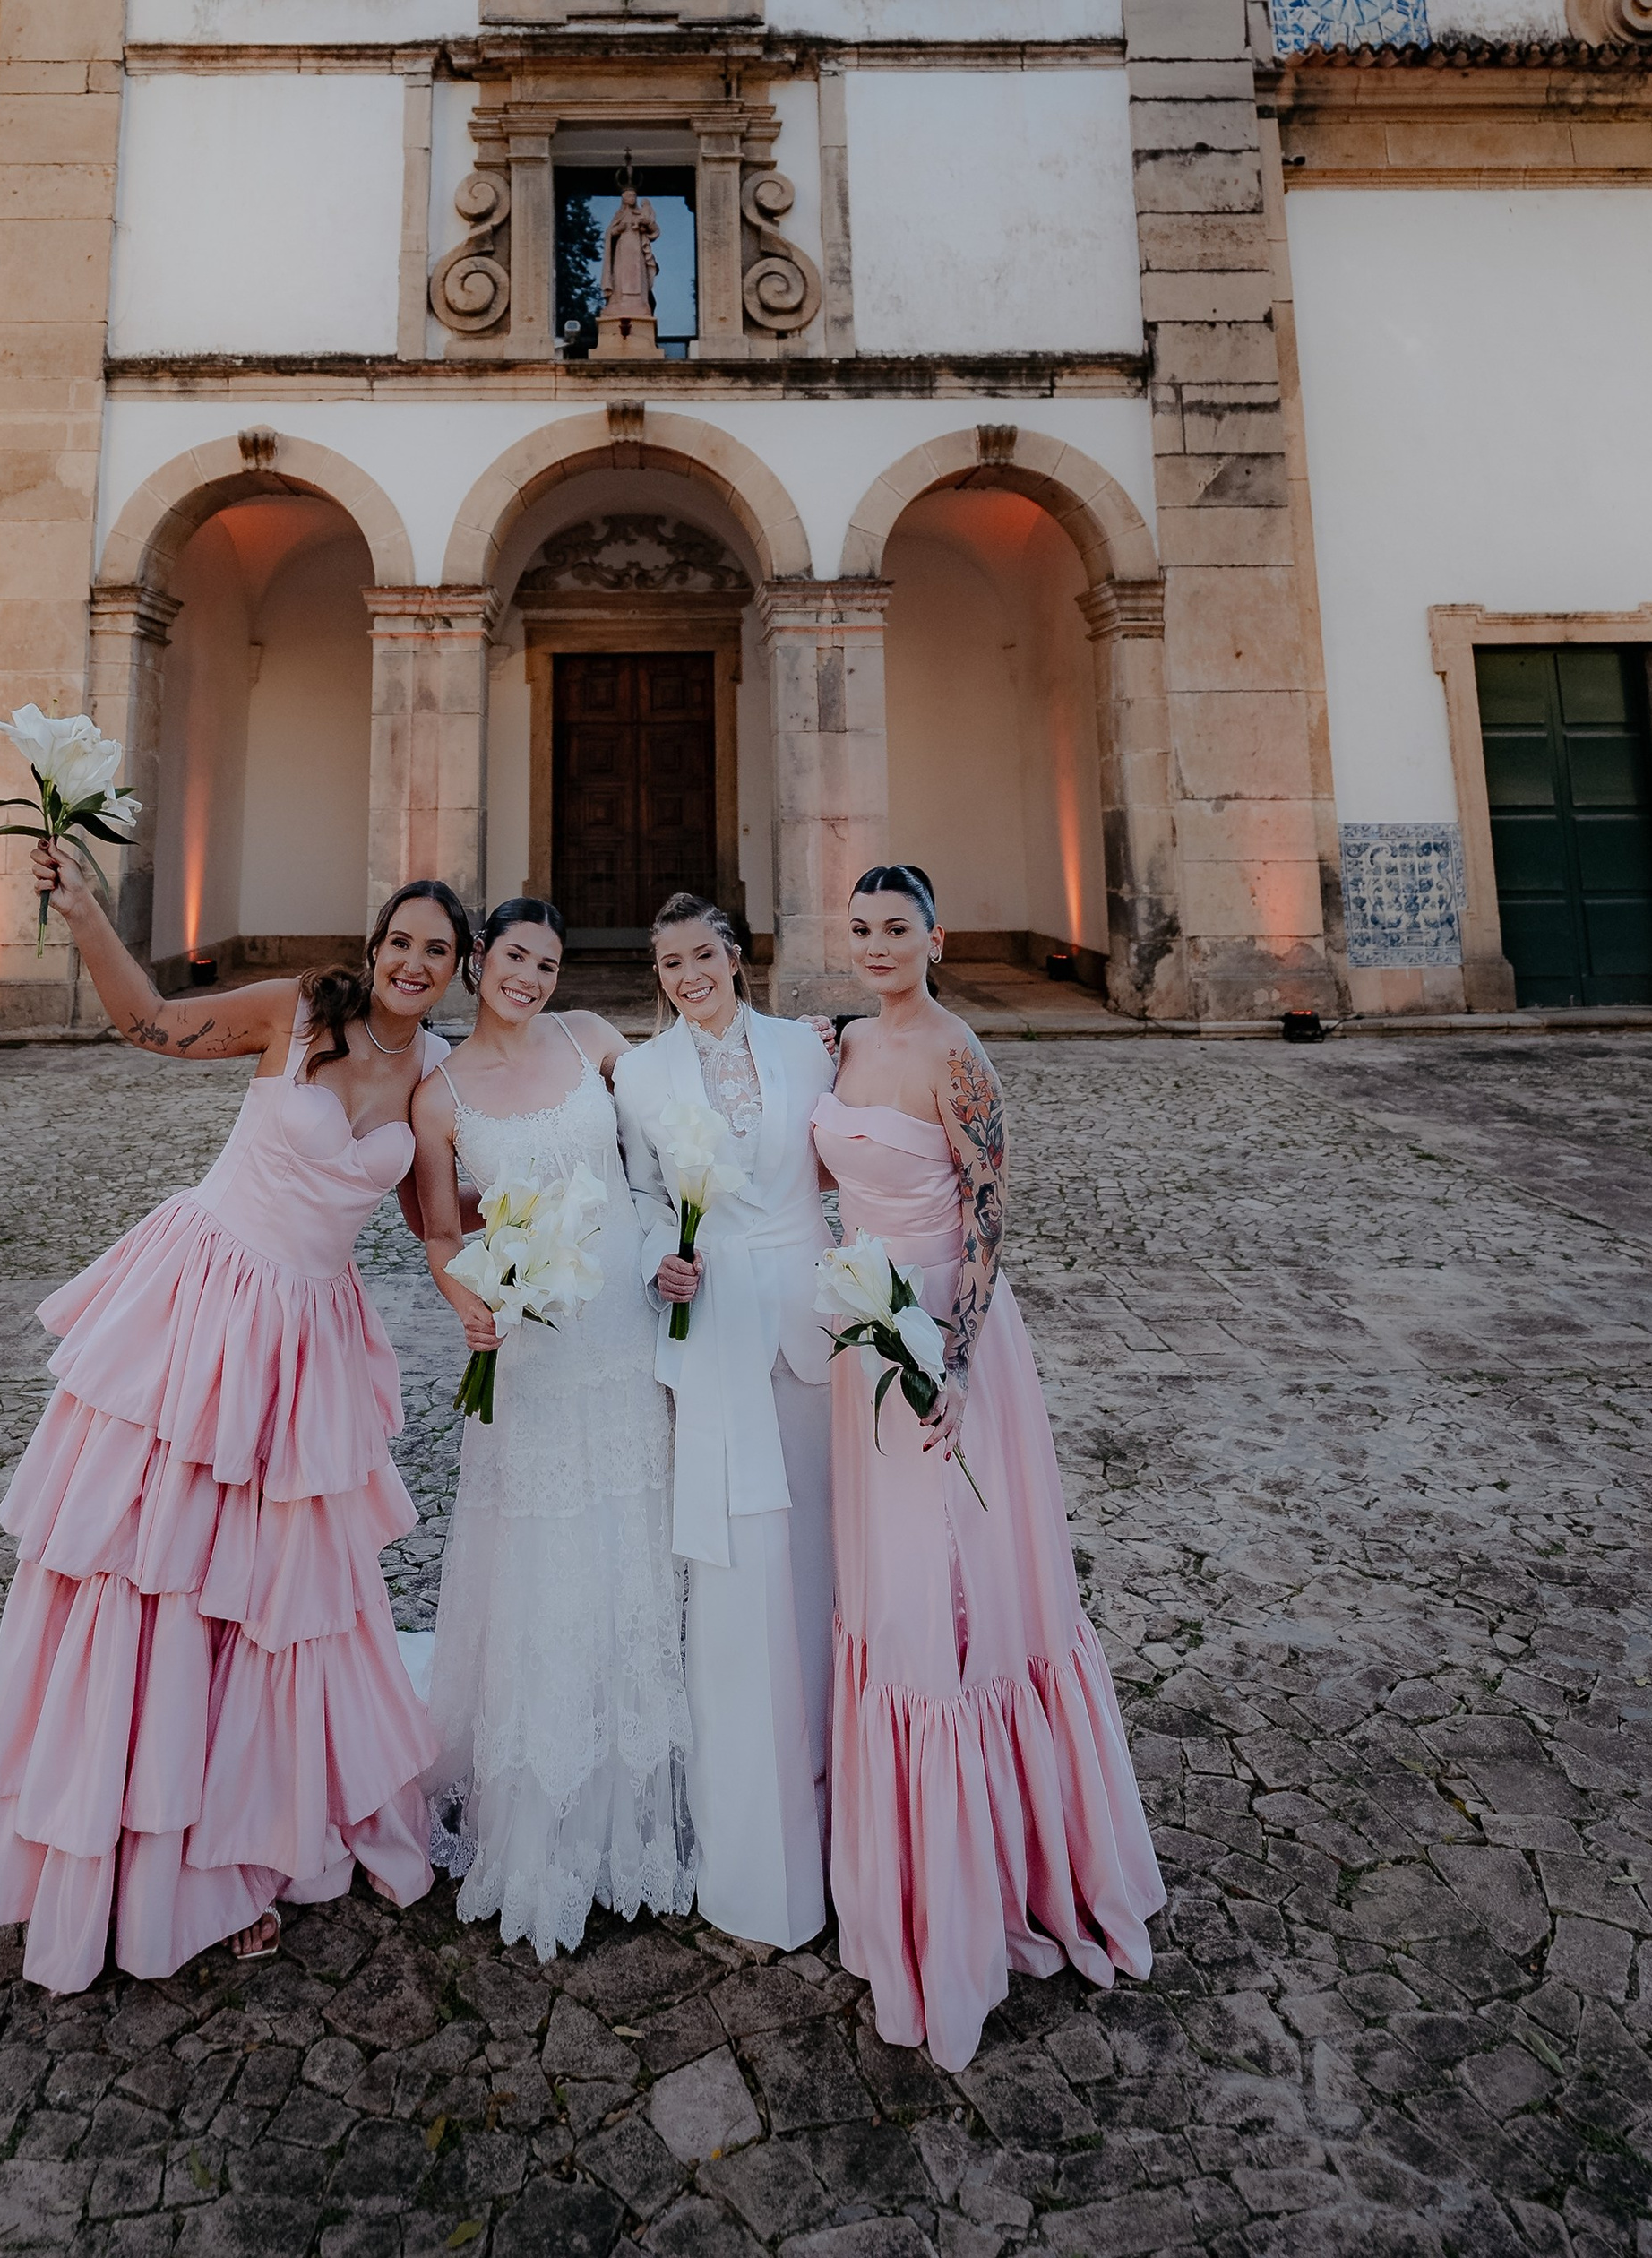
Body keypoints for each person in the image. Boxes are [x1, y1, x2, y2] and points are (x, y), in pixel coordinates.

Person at [0, 858, 473, 1993]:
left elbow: (440, 1222)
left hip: (305, 1347)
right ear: (374, 944)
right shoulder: (297, 1012)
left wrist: (548, 1234)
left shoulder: (436, 1077)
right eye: (400, 940)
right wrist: (85, 909)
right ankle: (131, 1844)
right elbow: (147, 1021)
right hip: (202, 1302)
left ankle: (241, 1844)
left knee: (273, 1597)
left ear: (455, 971)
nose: (412, 962)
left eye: (436, 950)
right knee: (151, 1567)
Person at [818, 863, 1164, 2070]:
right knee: (889, 1581)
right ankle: (900, 1862)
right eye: (860, 928)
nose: (876, 944)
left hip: (939, 1340)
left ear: (936, 936)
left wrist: (952, 1360)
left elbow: (987, 1212)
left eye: (896, 927)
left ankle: (985, 1868)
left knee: (949, 1586)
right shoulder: (841, 1042)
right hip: (862, 1331)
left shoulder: (957, 1054)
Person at [412, 898, 694, 1958]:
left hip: (622, 1325)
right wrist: (467, 1305)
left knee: (631, 1542)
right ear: (480, 961)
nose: (530, 977)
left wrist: (798, 1045)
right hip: (530, 1351)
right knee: (543, 1558)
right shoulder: (438, 1095)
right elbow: (438, 1231)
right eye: (515, 957)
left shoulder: (592, 1039)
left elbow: (682, 1103)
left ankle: (638, 1803)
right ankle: (546, 1816)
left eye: (548, 962)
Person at [614, 893, 837, 1952]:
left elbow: (850, 1160)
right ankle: (753, 1853)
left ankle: (847, 1818)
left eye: (703, 953)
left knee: (825, 1566)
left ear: (737, 957)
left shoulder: (807, 1048)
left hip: (814, 1330)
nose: (688, 974)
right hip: (713, 1333)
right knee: (739, 1580)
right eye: (670, 962)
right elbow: (644, 1194)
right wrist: (658, 1256)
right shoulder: (640, 1074)